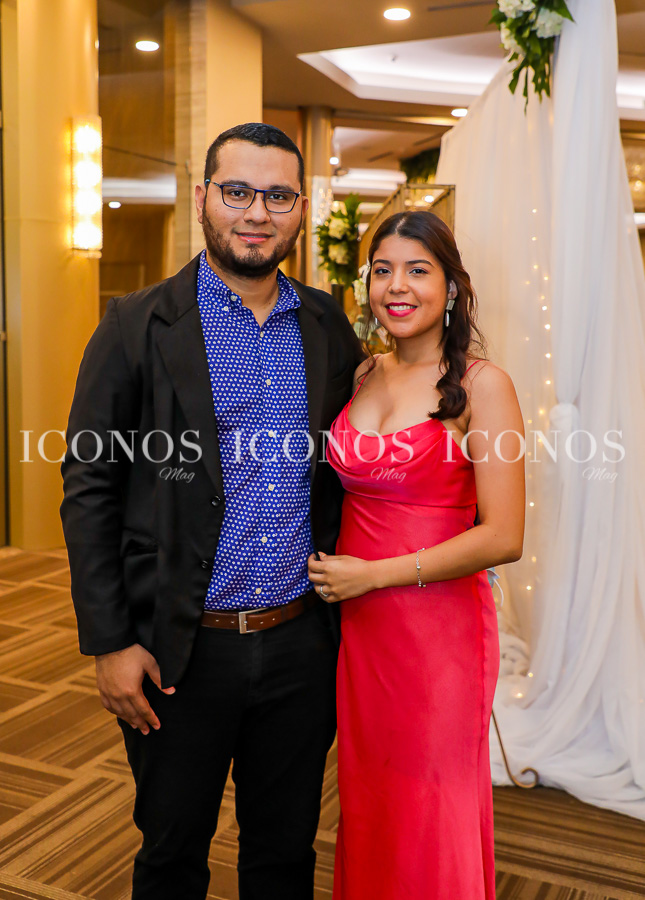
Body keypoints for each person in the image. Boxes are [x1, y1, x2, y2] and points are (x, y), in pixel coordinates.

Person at [60, 122, 364, 900]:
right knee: (171, 853)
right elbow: (89, 486)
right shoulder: (135, 325)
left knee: (283, 853)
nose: (256, 213)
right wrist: (110, 642)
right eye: (237, 192)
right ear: (202, 198)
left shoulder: (327, 326)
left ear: (301, 210)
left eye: (277, 196)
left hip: (299, 644)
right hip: (177, 649)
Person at [308, 210, 525, 900]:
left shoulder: (484, 385)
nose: (395, 286)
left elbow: (504, 536)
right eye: (382, 271)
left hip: (438, 635)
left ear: (451, 288)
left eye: (417, 270)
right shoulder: (360, 373)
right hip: (363, 631)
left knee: (430, 802)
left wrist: (374, 575)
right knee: (371, 798)